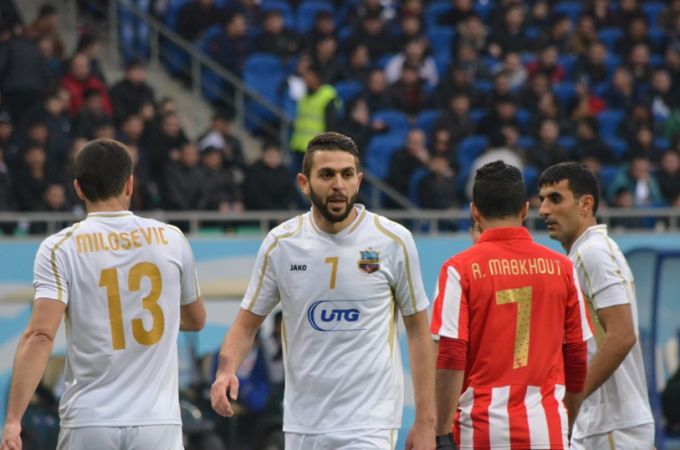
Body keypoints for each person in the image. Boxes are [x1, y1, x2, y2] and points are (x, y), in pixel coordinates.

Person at [210, 131, 436, 450]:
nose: (338, 185)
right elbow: (247, 324)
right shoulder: (281, 244)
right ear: (304, 182)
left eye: (346, 175)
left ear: (358, 180)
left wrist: (427, 422)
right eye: (327, 174)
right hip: (303, 422)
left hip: (369, 421)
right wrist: (225, 369)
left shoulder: (393, 241)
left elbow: (418, 333)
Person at [0, 138, 206, 450]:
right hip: (157, 421)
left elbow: (41, 335)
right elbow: (195, 319)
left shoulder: (58, 248)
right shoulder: (171, 238)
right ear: (130, 184)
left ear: (79, 189)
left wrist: (13, 420)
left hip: (89, 419)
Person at [432, 160, 592, 449]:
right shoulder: (563, 268)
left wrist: (442, 433)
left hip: (479, 429)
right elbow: (578, 355)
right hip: (548, 428)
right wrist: (569, 421)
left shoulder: (459, 269)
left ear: (474, 211)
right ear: (524, 209)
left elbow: (451, 354)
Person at [537, 162, 655, 450]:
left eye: (555, 198)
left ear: (585, 204)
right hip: (602, 424)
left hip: (612, 425)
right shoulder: (587, 252)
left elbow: (622, 334)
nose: (543, 210)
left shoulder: (593, 252)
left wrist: (570, 400)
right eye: (541, 200)